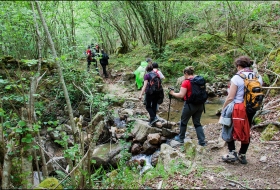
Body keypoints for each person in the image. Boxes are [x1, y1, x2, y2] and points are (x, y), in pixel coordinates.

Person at [221, 56, 263, 164]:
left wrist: (224, 108)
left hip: (238, 108)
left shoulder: (237, 77)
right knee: (246, 129)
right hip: (252, 108)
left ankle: (232, 153)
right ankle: (242, 154)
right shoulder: (258, 77)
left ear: (239, 66)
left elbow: (230, 97)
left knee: (229, 128)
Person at [169, 66, 206, 146]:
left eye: (184, 75)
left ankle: (181, 138)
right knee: (197, 122)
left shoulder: (186, 82)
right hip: (200, 104)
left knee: (183, 121)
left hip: (190, 105)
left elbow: (181, 95)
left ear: (186, 73)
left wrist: (172, 93)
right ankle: (202, 142)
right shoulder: (199, 80)